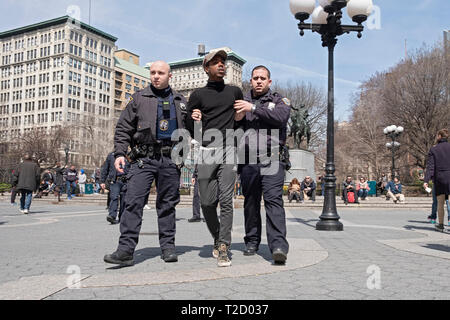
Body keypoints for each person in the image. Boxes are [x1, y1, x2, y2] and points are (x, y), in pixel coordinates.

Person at [104, 61, 187, 266]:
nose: (156, 76)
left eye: (161, 73)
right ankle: (125, 250)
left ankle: (168, 247)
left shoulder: (180, 101)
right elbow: (123, 128)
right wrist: (120, 154)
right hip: (144, 159)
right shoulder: (139, 98)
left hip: (170, 160)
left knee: (167, 205)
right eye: (153, 73)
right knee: (133, 202)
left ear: (170, 76)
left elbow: (190, 131)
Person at [186, 49, 244, 267]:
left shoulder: (235, 92)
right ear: (206, 68)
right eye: (215, 62)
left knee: (227, 200)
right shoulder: (198, 95)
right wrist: (194, 119)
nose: (221, 65)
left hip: (229, 148)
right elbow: (190, 129)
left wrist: (240, 117)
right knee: (207, 202)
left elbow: (240, 124)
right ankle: (217, 237)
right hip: (207, 149)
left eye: (223, 62)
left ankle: (223, 246)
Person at [235, 65, 291, 264]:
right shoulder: (241, 101)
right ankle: (251, 241)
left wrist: (253, 109)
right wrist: (237, 118)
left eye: (262, 78)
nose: (258, 81)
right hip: (248, 160)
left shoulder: (278, 100)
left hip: (273, 158)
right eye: (255, 78)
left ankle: (278, 246)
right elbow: (231, 127)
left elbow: (281, 118)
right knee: (250, 203)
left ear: (269, 81)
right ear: (250, 80)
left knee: (273, 200)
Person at [424, 129, 450, 232]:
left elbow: (431, 167)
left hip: (439, 178)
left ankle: (441, 224)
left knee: (440, 202)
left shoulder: (434, 149)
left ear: (439, 136)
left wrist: (426, 180)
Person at [101, 152, 128, 225]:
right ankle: (112, 216)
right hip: (115, 180)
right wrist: (102, 181)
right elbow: (105, 168)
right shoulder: (111, 155)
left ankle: (122, 217)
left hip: (126, 181)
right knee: (114, 197)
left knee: (124, 200)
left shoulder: (128, 154)